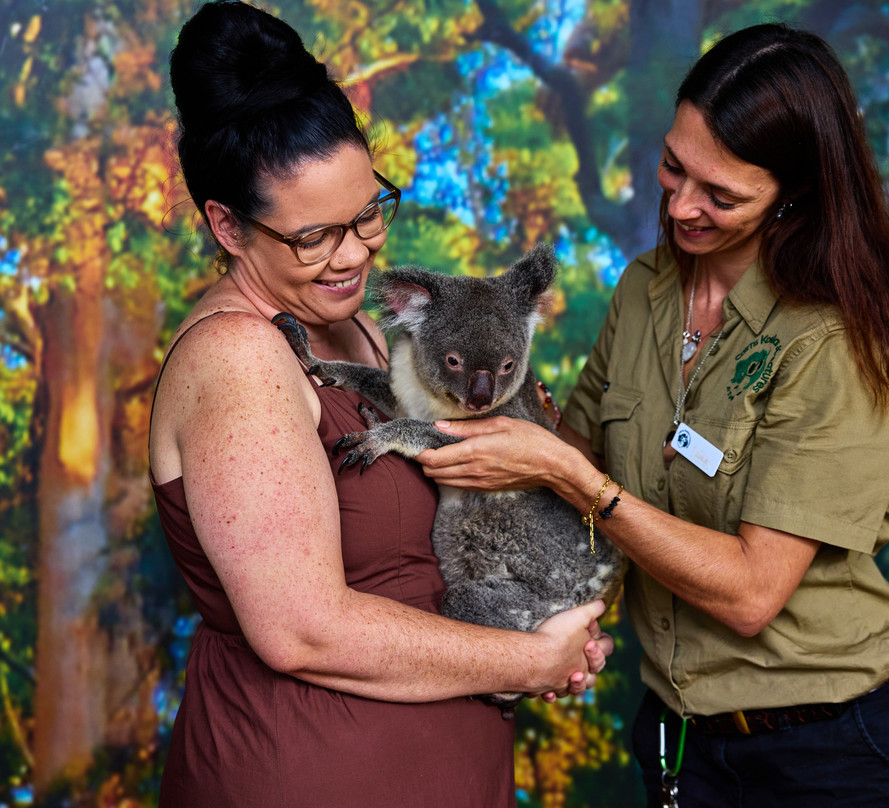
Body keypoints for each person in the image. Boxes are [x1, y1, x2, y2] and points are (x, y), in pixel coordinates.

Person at [417, 23, 889, 808]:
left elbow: (751, 592)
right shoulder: (646, 287)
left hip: (828, 753)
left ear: (792, 195)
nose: (683, 206)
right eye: (673, 167)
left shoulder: (838, 340)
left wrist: (576, 479)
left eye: (722, 195)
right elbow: (567, 448)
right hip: (679, 739)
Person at [148, 2, 611, 806]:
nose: (356, 251)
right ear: (226, 226)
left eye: (367, 213)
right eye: (314, 236)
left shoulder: (358, 323)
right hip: (310, 770)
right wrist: (531, 660)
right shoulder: (236, 358)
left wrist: (556, 612)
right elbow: (302, 631)